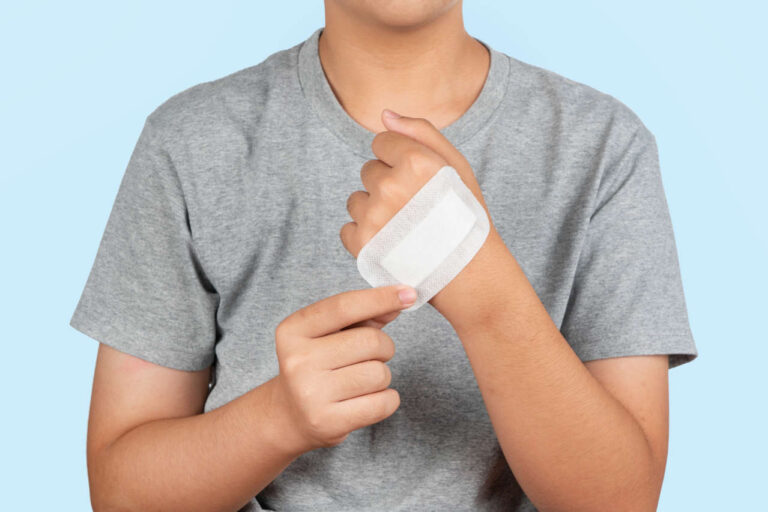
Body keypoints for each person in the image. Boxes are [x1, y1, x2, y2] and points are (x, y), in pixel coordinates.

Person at [69, 1, 699, 511]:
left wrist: (487, 294)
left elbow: (620, 500)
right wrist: (278, 419)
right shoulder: (191, 143)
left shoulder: (604, 148)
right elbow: (121, 491)